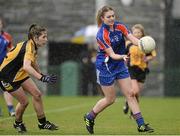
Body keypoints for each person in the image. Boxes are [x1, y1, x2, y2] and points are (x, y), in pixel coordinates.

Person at [83, 5, 154, 134]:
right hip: (106, 67)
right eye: (108, 17)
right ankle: (90, 117)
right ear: (102, 18)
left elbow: (132, 39)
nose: (111, 18)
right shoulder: (101, 34)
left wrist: (143, 43)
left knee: (131, 94)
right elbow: (112, 55)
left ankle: (141, 125)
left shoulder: (120, 26)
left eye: (113, 16)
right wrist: (121, 56)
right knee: (110, 99)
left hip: (120, 65)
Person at [0, 24, 58, 133]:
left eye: (46, 36)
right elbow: (27, 66)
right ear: (35, 38)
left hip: (18, 73)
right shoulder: (29, 47)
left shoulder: (32, 46)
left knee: (37, 94)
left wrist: (42, 74)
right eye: (44, 37)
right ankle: (17, 123)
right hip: (7, 77)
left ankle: (42, 123)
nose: (46, 39)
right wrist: (41, 78)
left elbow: (33, 62)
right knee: (24, 102)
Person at [123, 24, 156, 117]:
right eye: (135, 32)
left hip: (142, 69)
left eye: (139, 32)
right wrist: (125, 58)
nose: (137, 34)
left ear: (142, 33)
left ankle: (132, 110)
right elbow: (124, 54)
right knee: (135, 90)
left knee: (137, 94)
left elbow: (152, 54)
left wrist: (147, 59)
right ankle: (128, 102)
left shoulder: (146, 43)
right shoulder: (128, 43)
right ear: (132, 33)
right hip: (132, 69)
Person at [0, 17, 15, 117]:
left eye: (0, 23)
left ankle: (11, 110)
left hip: (3, 67)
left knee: (7, 88)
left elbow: (11, 49)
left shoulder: (6, 36)